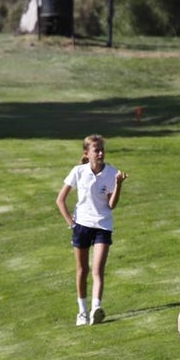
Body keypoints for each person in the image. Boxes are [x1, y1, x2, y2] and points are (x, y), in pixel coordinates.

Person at [56, 134, 127, 326]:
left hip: (103, 226)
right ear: (87, 153)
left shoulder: (112, 173)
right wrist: (71, 223)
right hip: (82, 226)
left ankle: (96, 307)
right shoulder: (78, 172)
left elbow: (111, 205)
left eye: (102, 149)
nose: (101, 153)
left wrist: (118, 185)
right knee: (82, 270)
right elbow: (60, 200)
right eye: (97, 150)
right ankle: (82, 312)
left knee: (98, 269)